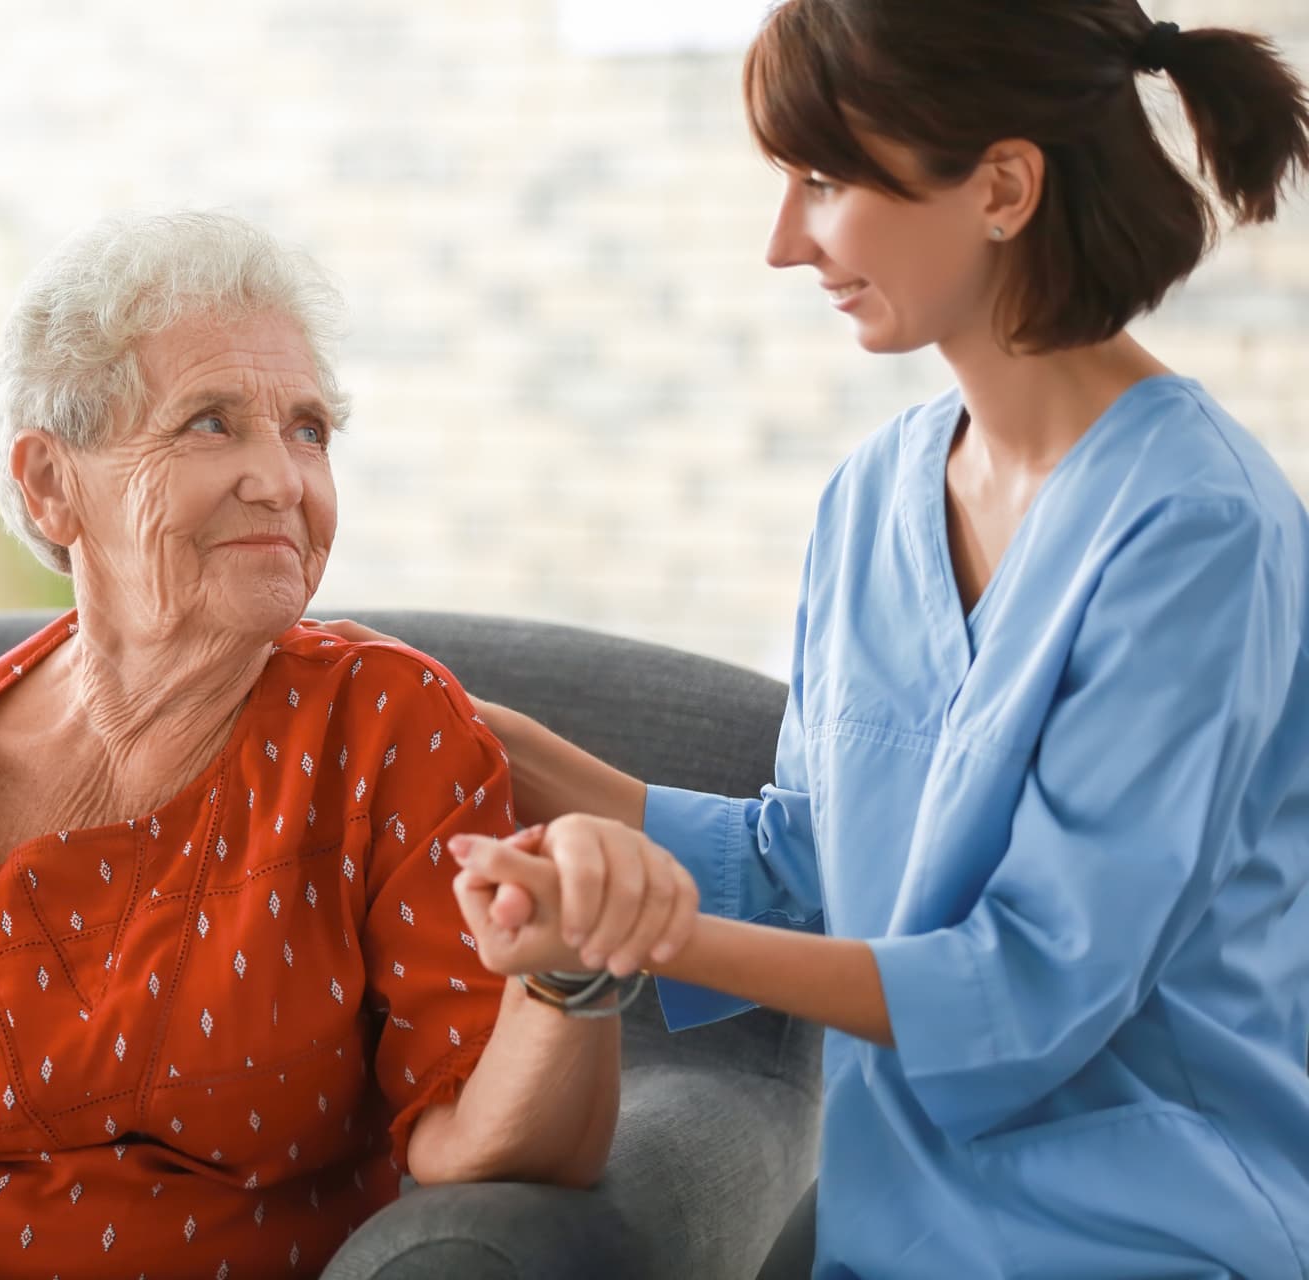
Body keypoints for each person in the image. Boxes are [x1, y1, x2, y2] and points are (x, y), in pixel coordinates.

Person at [338, 3, 1309, 1275]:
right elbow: (815, 858)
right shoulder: (875, 494)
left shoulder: (1199, 531)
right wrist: (481, 739)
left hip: (1144, 1230)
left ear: (1003, 186)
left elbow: (1032, 985)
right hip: (890, 1224)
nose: (784, 242)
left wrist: (629, 933)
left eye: (821, 180)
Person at [0, 211, 622, 1280]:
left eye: (310, 428)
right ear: (51, 483)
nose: (282, 476)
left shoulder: (386, 731)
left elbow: (483, 1145)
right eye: (210, 423)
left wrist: (568, 980)